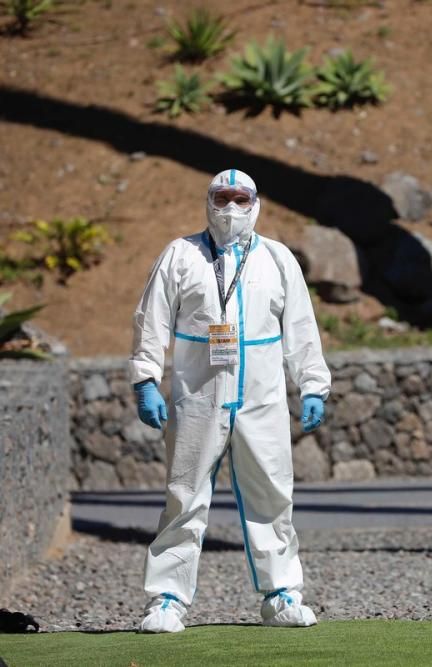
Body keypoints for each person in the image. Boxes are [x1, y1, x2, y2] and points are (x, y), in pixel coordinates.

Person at [129, 169, 332, 633]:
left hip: (261, 399)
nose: (231, 208)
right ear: (209, 201)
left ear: (255, 204)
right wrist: (145, 379)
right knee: (185, 494)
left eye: (241, 199)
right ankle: (167, 599)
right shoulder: (181, 255)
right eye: (223, 198)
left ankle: (281, 595)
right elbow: (151, 321)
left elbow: (301, 328)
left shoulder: (278, 259)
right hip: (198, 396)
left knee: (272, 493)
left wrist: (313, 383)